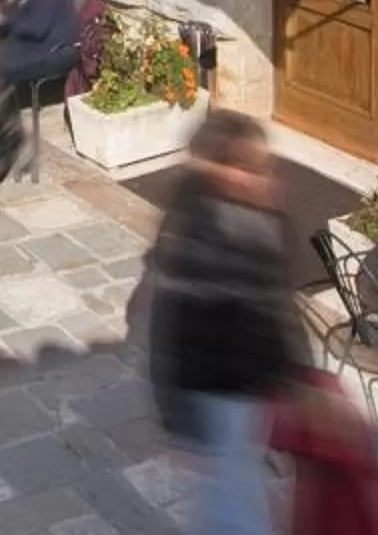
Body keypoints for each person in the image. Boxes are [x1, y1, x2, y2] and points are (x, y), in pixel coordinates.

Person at [143, 109, 300, 535]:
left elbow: (278, 300)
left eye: (262, 166)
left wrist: (294, 376)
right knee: (231, 508)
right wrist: (178, 418)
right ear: (216, 168)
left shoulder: (265, 214)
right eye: (247, 166)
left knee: (240, 494)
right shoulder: (193, 230)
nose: (260, 176)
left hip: (257, 385)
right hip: (218, 390)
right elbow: (170, 329)